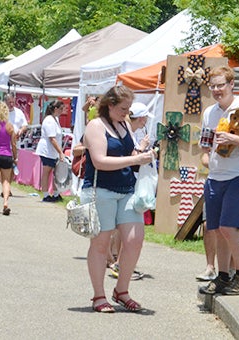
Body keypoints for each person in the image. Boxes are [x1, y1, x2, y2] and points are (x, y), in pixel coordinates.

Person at [81, 85, 155, 312]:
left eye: (129, 109)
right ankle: (98, 296)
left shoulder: (124, 125)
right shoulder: (95, 126)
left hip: (127, 190)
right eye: (123, 109)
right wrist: (134, 160)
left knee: (134, 239)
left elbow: (128, 154)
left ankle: (121, 290)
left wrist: (141, 153)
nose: (127, 113)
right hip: (101, 189)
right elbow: (100, 161)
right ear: (110, 105)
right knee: (101, 243)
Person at [198, 66, 239, 296]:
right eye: (213, 86)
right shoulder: (209, 112)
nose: (217, 90)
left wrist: (234, 139)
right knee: (217, 230)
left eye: (221, 85)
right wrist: (207, 156)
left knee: (228, 227)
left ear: (231, 85)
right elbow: (205, 144)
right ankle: (223, 276)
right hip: (215, 176)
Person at [35, 100, 65, 202]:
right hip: (47, 150)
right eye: (61, 108)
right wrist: (60, 152)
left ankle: (56, 193)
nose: (62, 111)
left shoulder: (56, 119)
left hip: (54, 151)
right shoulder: (49, 120)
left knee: (56, 172)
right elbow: (52, 138)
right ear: (55, 109)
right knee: (47, 171)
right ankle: (45, 194)